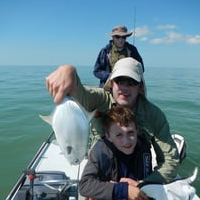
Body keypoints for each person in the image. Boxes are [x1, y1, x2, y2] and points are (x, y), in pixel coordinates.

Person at [46, 57, 180, 184]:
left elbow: (171, 160)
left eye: (132, 82)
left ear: (140, 87)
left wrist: (144, 184)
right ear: (111, 83)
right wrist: (69, 72)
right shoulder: (100, 100)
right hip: (99, 179)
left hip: (137, 179)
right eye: (120, 81)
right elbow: (82, 94)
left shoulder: (154, 115)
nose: (124, 88)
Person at [79, 105, 151, 200]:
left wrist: (140, 185)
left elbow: (147, 177)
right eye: (119, 135)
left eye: (130, 133)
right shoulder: (100, 151)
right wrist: (123, 190)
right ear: (108, 136)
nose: (126, 141)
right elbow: (84, 185)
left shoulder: (143, 149)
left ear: (137, 131)